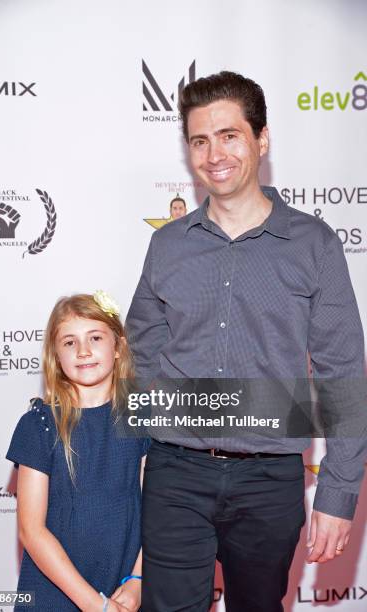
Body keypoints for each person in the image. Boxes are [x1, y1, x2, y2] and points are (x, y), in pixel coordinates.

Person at [126, 71, 367, 611]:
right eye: (199, 140)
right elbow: (142, 348)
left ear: (262, 139)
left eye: (230, 135)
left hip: (270, 479)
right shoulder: (167, 246)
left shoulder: (313, 244)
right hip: (176, 474)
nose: (215, 154)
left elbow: (344, 374)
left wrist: (338, 491)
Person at [6, 291, 147, 612]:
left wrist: (138, 580)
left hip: (124, 589)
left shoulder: (142, 416)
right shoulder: (39, 425)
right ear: (56, 355)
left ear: (118, 346)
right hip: (53, 593)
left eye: (95, 337)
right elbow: (31, 530)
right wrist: (95, 604)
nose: (83, 351)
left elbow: (157, 511)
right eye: (69, 342)